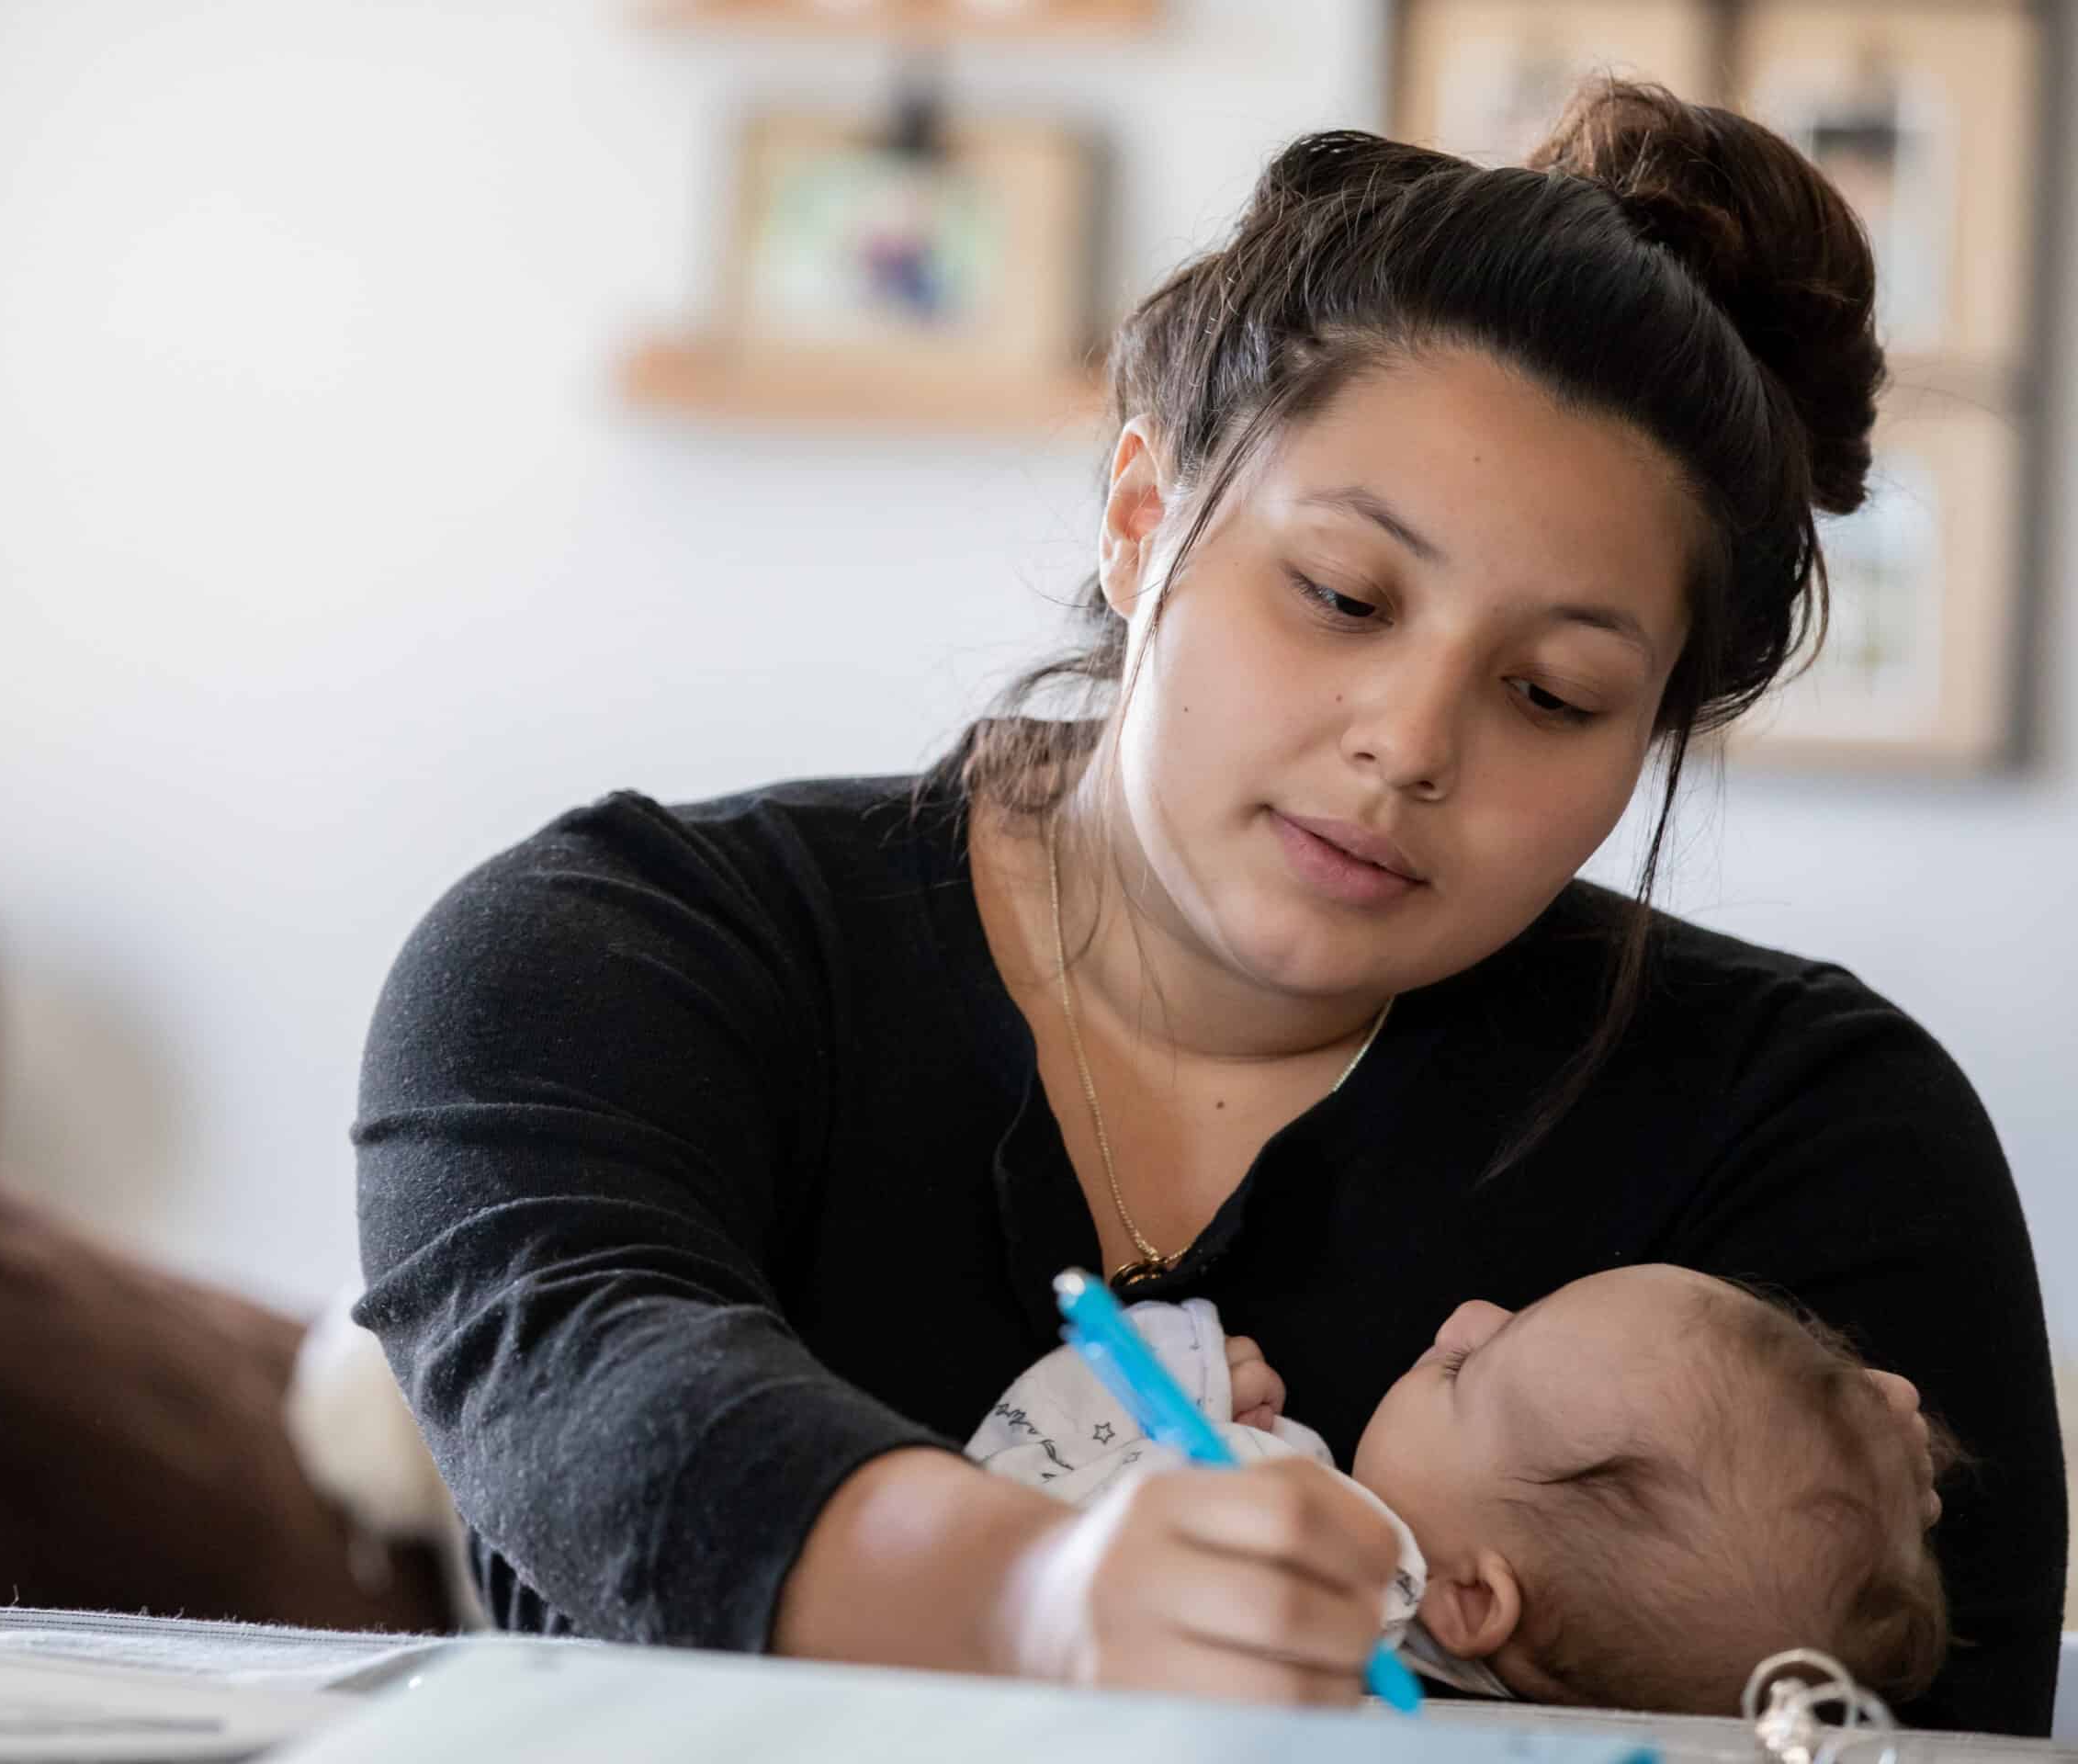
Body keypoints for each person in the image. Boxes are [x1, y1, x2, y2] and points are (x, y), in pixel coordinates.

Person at [350, 79, 2068, 1734]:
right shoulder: (619, 952)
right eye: (1338, 594)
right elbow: (590, 1400)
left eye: (1551, 693)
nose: (1407, 743)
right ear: (1143, 516)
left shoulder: (1811, 1129)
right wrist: (1042, 1604)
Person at [974, 1265, 1953, 1714]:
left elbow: (1012, 1501)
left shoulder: (1313, 1545)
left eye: (1468, 1373)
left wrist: (1176, 1369)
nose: (1465, 1315)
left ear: (1473, 1600)